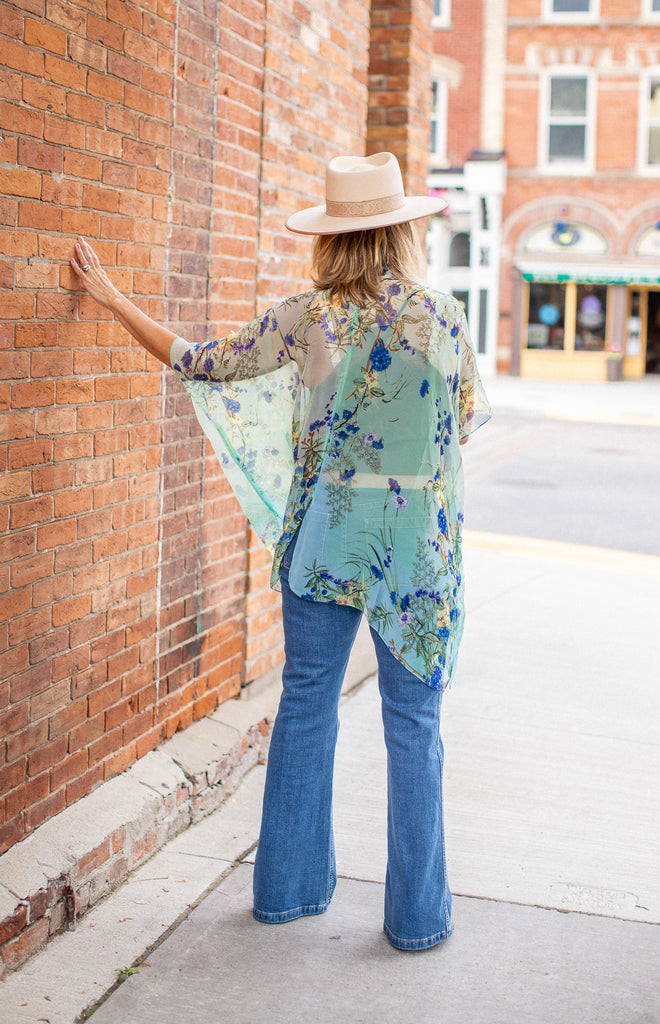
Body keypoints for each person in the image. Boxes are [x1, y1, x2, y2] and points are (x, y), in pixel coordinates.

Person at [71, 151, 491, 951]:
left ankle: (287, 896)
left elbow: (204, 364)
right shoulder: (441, 318)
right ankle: (415, 921)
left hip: (325, 541)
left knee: (306, 709)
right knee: (413, 727)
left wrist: (114, 296)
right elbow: (461, 424)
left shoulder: (305, 316)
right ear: (401, 231)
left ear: (332, 239)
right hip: (415, 555)